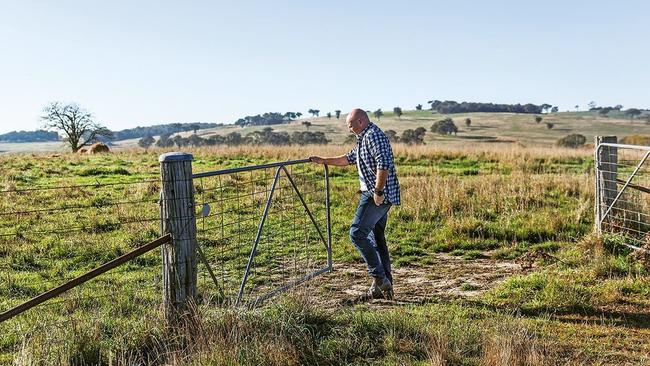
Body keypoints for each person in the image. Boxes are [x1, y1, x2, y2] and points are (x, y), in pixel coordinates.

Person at [310, 108, 400, 299]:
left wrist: (378, 191)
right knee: (377, 237)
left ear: (360, 121)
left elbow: (383, 164)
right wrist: (323, 160)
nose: (349, 129)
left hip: (377, 195)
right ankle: (384, 284)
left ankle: (379, 278)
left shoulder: (374, 136)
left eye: (350, 125)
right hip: (376, 193)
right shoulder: (364, 139)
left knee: (357, 233)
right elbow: (347, 159)